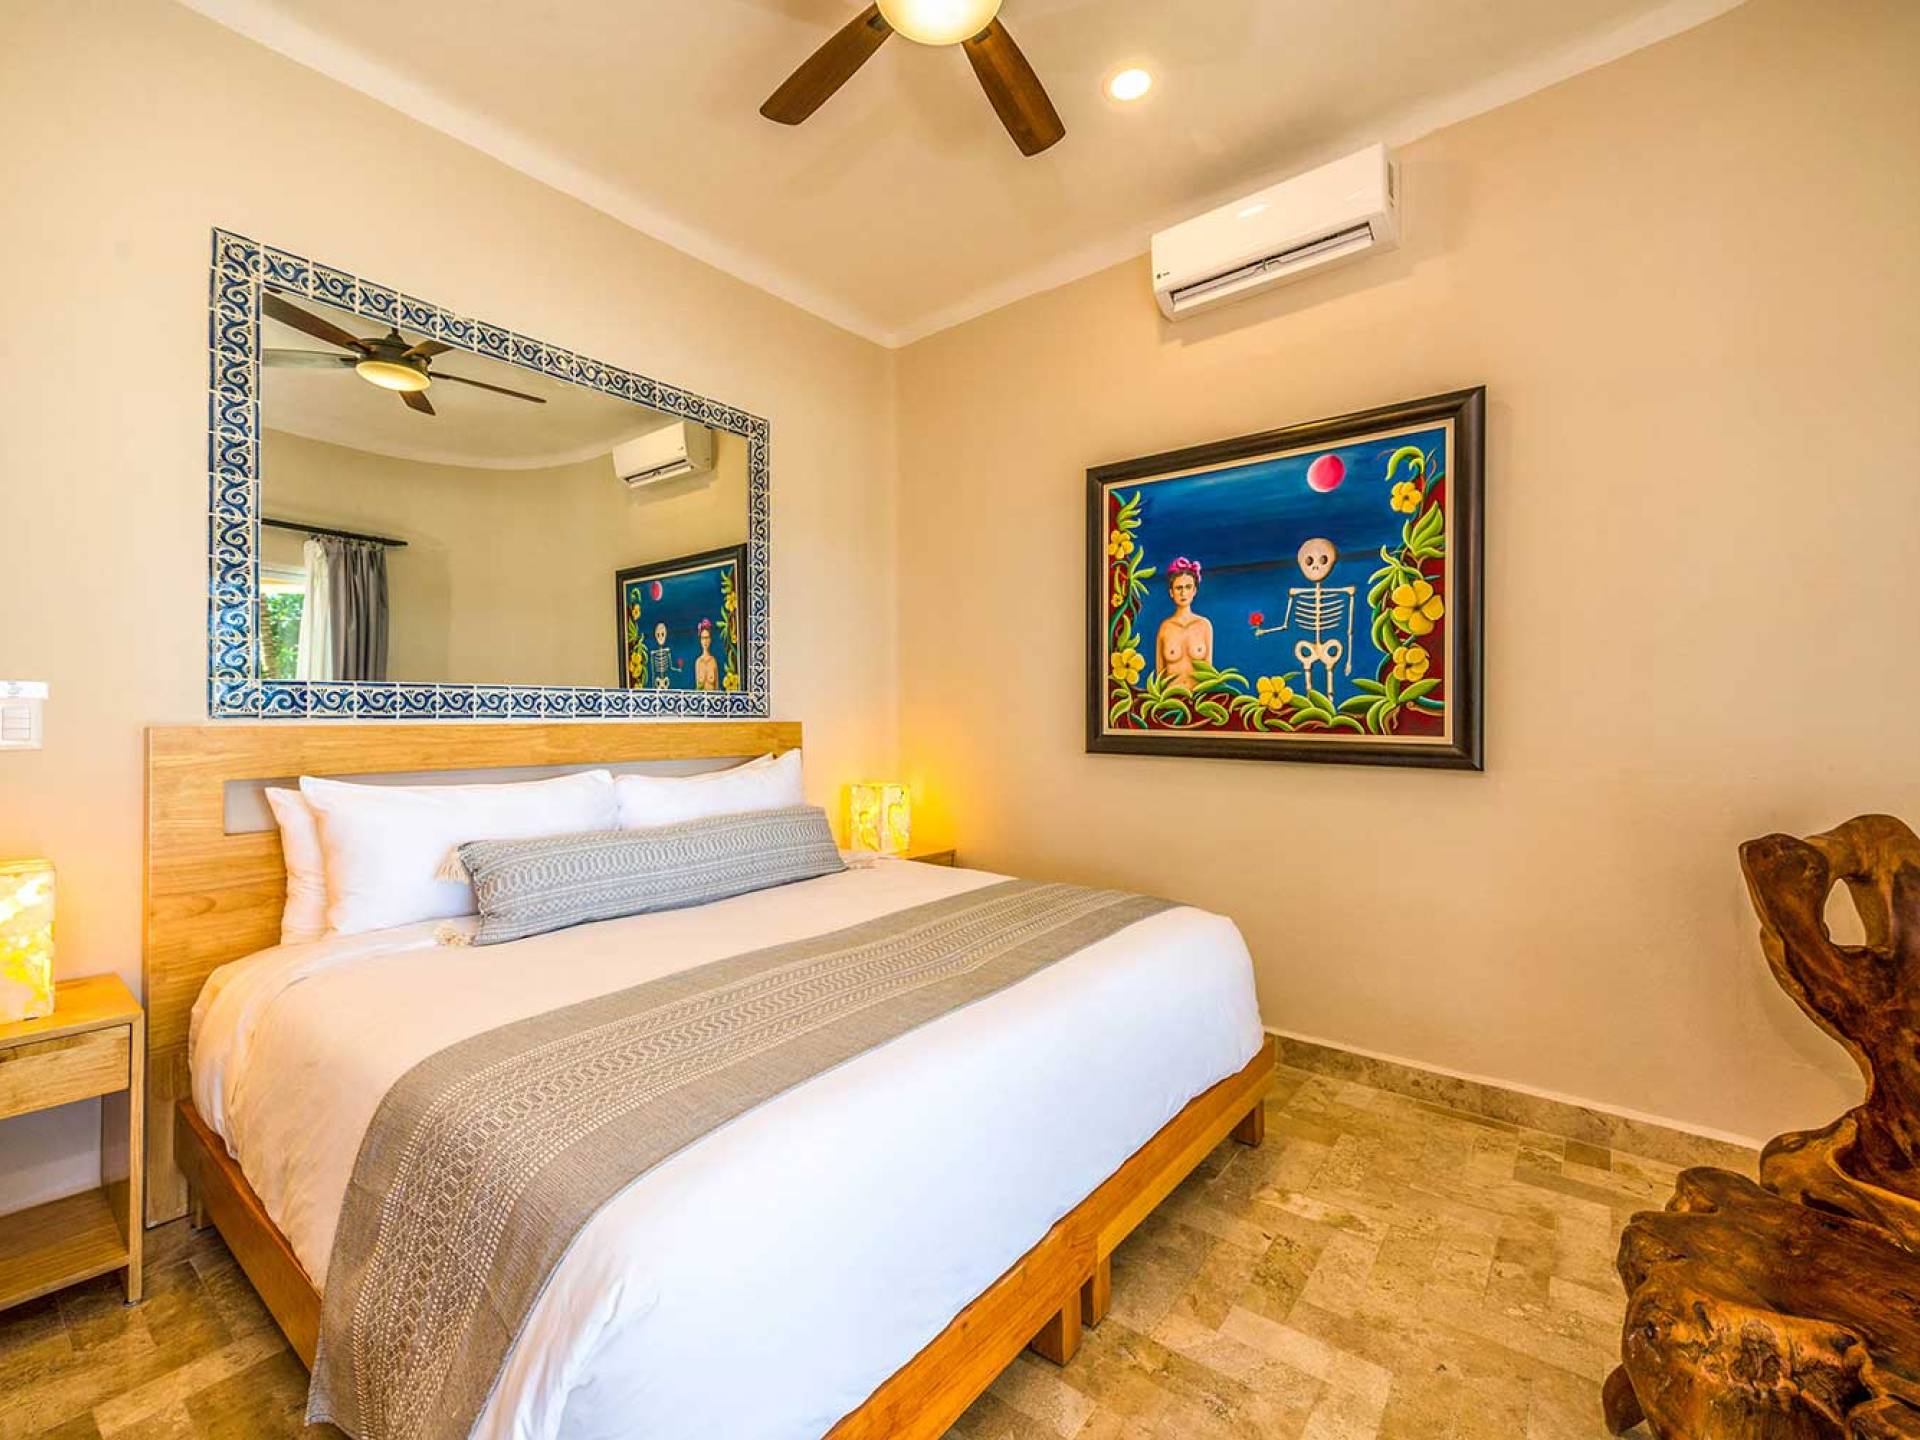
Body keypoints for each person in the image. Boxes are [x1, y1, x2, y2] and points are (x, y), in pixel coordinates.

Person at [1155, 557, 1212, 689]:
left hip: (1198, 698)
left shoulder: (1204, 625)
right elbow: (1159, 675)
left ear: (1194, 591)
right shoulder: (1165, 628)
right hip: (1171, 698)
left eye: (1188, 587)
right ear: (1171, 592)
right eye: (1178, 588)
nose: (1183, 593)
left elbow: (1209, 673)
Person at [694, 619, 719, 691]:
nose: (705, 641)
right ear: (700, 640)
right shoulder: (698, 662)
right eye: (703, 638)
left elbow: (716, 686)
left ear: (710, 639)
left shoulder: (713, 661)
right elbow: (697, 687)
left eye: (707, 638)